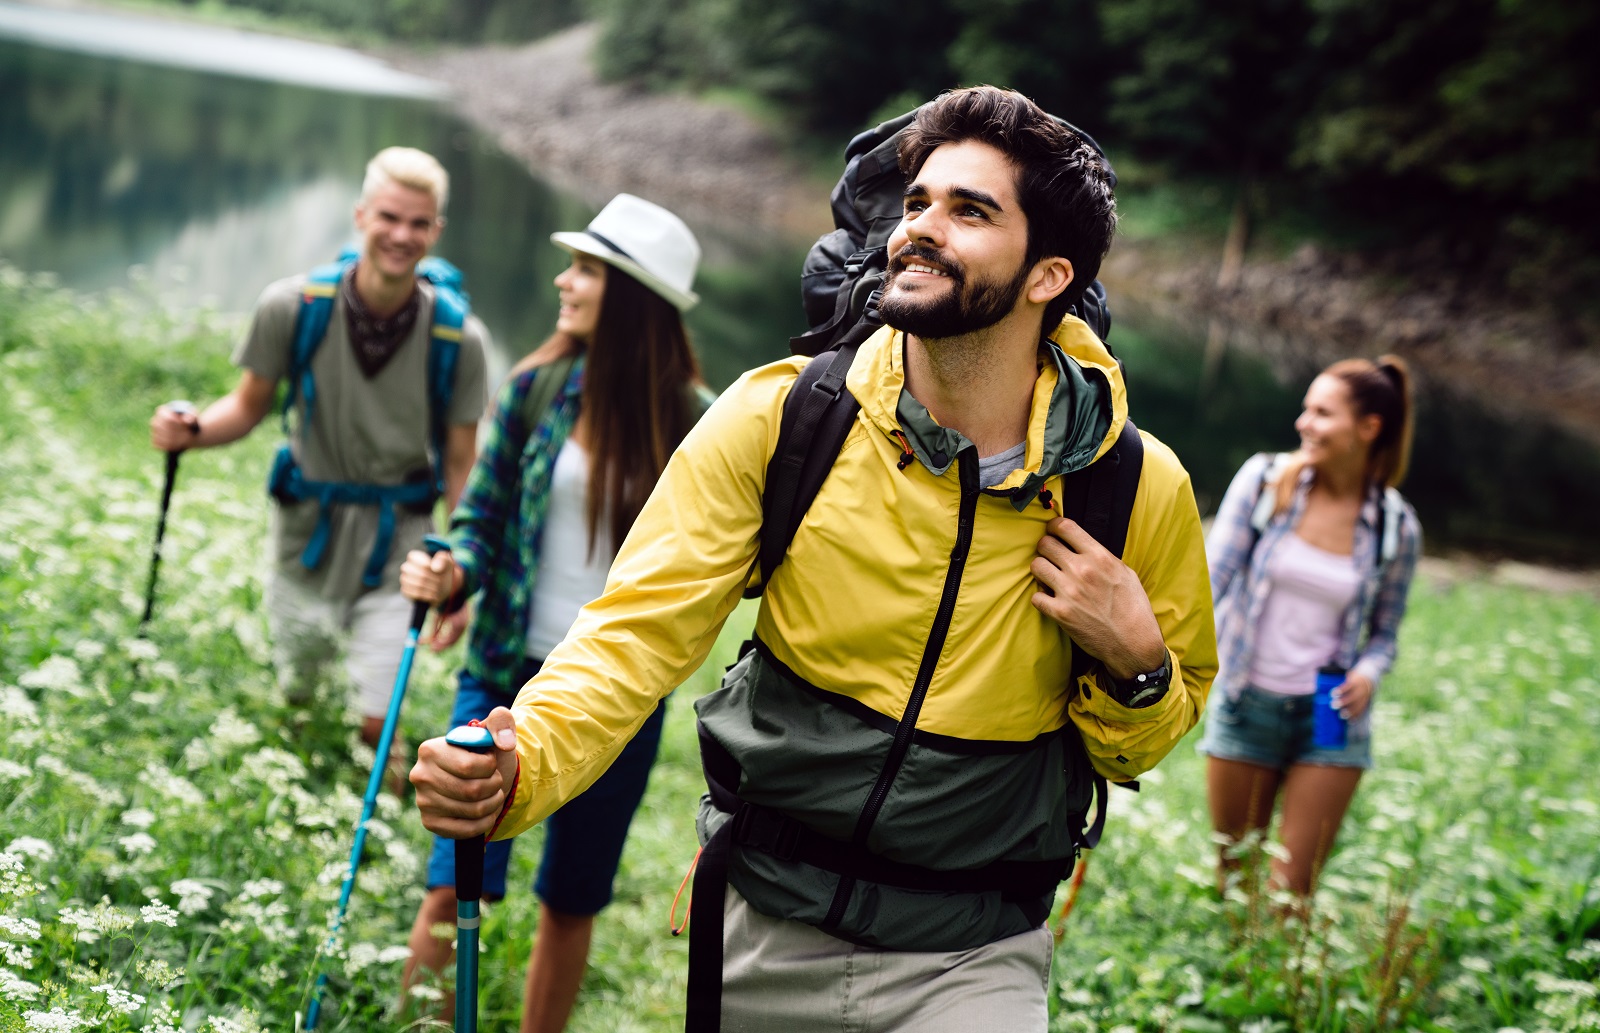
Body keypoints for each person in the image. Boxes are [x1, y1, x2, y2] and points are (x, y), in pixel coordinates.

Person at [410, 86, 1217, 1032]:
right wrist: (525, 762)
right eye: (917, 202)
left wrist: (1138, 660)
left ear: (1048, 275)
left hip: (976, 949)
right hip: (766, 920)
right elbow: (634, 632)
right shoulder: (783, 417)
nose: (920, 228)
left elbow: (1151, 732)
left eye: (970, 210)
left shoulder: (1133, 485)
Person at [397, 194, 713, 1032]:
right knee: (453, 875)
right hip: (504, 670)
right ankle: (413, 1021)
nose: (563, 281)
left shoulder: (699, 423)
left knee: (573, 896)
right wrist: (453, 570)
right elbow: (482, 516)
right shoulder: (537, 387)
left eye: (587, 270)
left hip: (621, 695)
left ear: (633, 295)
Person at [148, 146, 488, 748]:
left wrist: (460, 573)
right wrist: (193, 430)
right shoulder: (293, 306)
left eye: (418, 223)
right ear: (361, 216)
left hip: (400, 540)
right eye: (389, 217)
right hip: (306, 530)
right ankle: (301, 751)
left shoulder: (458, 338)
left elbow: (462, 466)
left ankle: (371, 793)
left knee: (378, 715)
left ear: (436, 230)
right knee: (298, 688)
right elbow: (248, 405)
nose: (401, 235)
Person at [1200, 355, 1422, 897]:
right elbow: (1210, 581)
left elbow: (1385, 633)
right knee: (1236, 883)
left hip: (1330, 720)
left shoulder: (1396, 525)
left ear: (1367, 429)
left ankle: (1284, 978)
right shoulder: (1264, 481)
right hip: (1246, 703)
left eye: (1322, 413)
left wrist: (1369, 671)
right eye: (1306, 409)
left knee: (1291, 892)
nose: (1304, 423)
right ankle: (1243, 980)